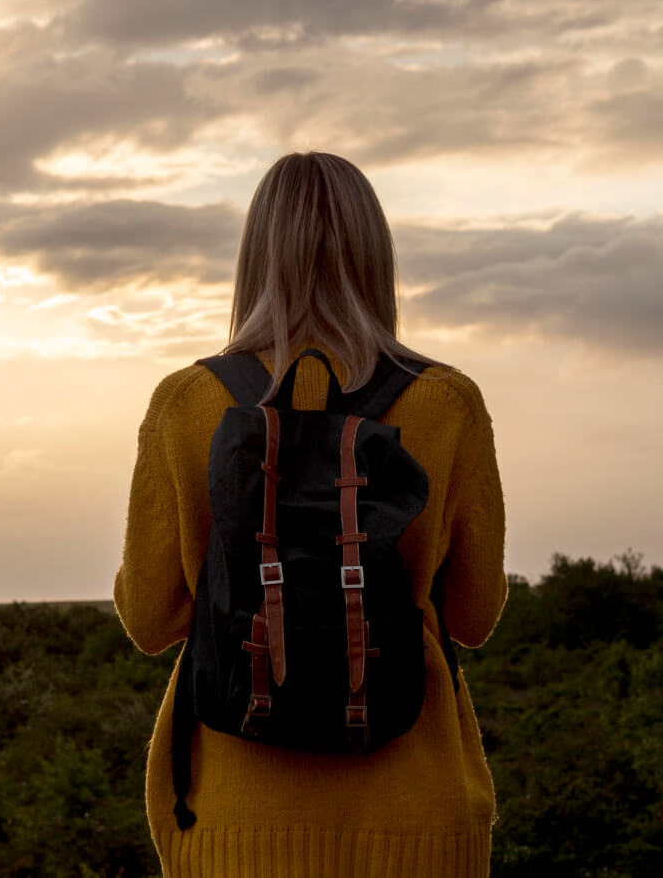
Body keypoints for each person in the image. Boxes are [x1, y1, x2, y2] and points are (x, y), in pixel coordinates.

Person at [113, 151, 508, 877]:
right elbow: (476, 616)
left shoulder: (186, 404)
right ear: (374, 254)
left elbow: (148, 619)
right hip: (416, 822)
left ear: (254, 260)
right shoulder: (448, 403)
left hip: (230, 817)